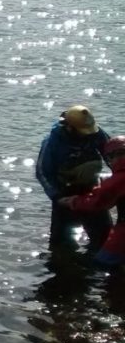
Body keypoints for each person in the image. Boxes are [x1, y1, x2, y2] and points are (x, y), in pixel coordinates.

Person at [36, 105, 112, 250]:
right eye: (82, 132)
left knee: (105, 238)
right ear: (70, 128)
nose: (86, 135)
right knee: (61, 244)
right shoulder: (52, 142)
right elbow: (42, 172)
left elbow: (112, 155)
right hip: (64, 194)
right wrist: (57, 197)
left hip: (91, 189)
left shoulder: (95, 133)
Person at [59, 136, 125, 268]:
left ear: (116, 155)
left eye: (109, 158)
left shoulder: (118, 179)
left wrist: (73, 201)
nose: (110, 162)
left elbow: (96, 203)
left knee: (102, 264)